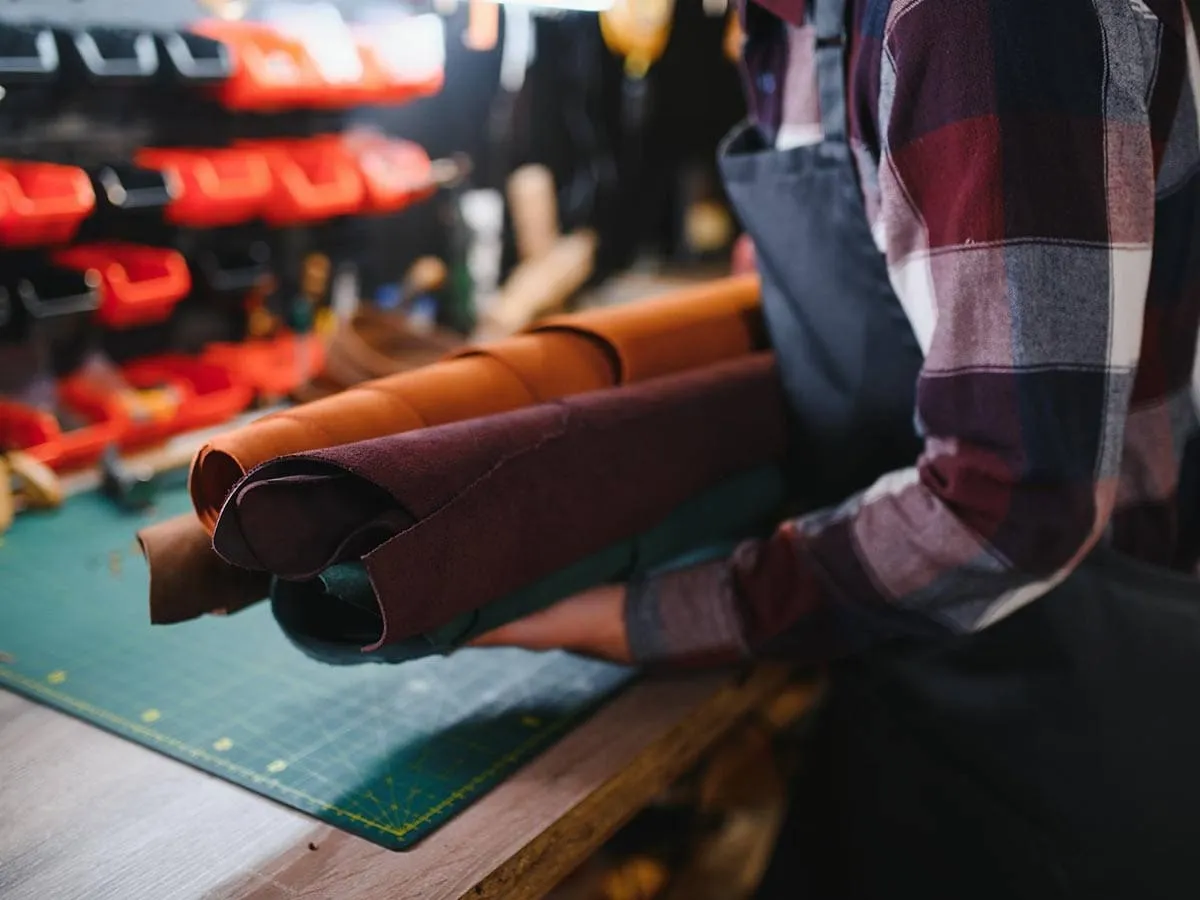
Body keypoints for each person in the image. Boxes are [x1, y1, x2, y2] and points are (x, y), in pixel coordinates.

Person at [476, 0, 1200, 896]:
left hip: (1063, 709)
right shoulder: (787, 22)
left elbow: (1016, 505)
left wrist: (651, 616)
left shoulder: (982, 21)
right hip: (895, 661)